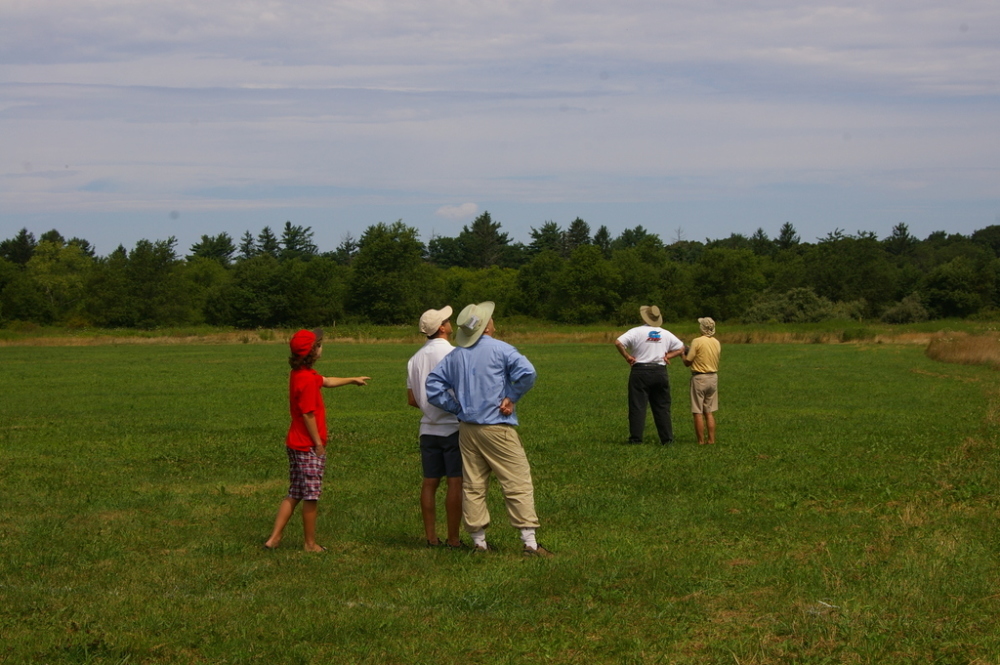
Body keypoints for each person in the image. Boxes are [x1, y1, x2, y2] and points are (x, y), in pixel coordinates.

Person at [425, 302, 552, 557]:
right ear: (487, 326)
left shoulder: (456, 354)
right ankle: (529, 542)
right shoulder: (501, 349)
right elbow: (527, 372)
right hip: (497, 426)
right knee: (517, 481)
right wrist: (511, 396)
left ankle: (479, 542)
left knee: (473, 484)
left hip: (467, 428)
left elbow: (433, 385)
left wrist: (456, 407)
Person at [264, 329, 370, 552]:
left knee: (294, 492)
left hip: (294, 442)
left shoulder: (300, 375)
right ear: (312, 352)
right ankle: (310, 543)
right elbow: (308, 414)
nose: (322, 347)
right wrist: (318, 444)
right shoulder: (308, 381)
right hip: (308, 446)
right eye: (319, 345)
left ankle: (274, 538)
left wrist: (352, 379)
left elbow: (327, 380)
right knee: (311, 496)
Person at [406, 306, 464, 548]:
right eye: (447, 320)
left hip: (427, 429)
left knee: (430, 482)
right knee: (455, 482)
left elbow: (412, 399)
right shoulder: (455, 354)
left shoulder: (415, 359)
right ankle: (453, 539)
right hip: (452, 427)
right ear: (442, 328)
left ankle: (431, 538)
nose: (450, 322)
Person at [614, 305, 685, 445]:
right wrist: (669, 355)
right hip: (659, 371)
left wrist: (627, 356)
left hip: (640, 370)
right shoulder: (665, 333)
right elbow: (681, 347)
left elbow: (618, 342)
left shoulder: (635, 332)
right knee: (662, 407)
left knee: (638, 406)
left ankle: (636, 439)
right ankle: (667, 439)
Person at [683, 317, 721, 445]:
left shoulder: (697, 341)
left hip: (699, 378)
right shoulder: (716, 342)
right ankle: (711, 440)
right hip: (713, 377)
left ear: (702, 328)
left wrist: (682, 353)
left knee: (697, 412)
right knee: (709, 412)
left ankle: (700, 441)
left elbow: (688, 362)